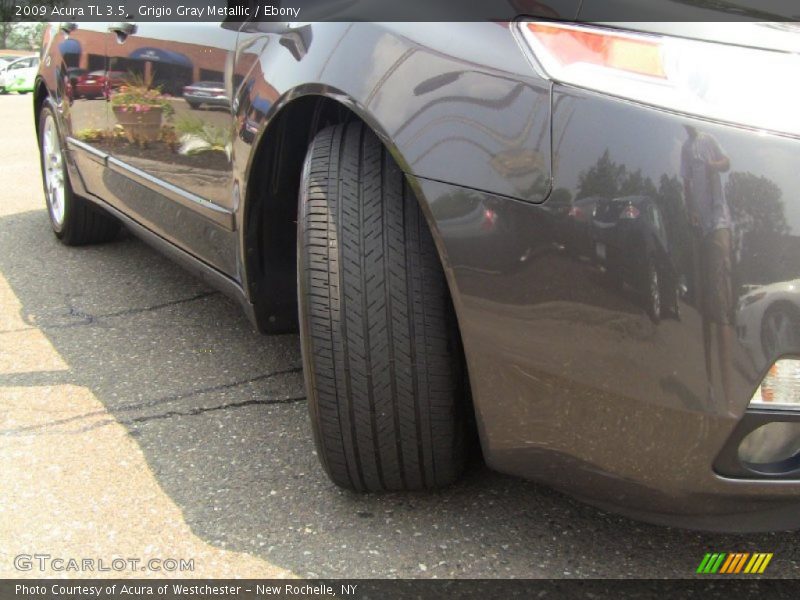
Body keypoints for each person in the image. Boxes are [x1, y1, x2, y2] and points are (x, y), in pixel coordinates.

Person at [681, 125, 734, 412]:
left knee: (721, 308)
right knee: (704, 307)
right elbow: (686, 183)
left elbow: (727, 163)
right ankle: (710, 388)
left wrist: (713, 165)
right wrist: (690, 209)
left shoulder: (708, 139)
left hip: (717, 226)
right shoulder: (686, 149)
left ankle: (729, 401)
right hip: (699, 229)